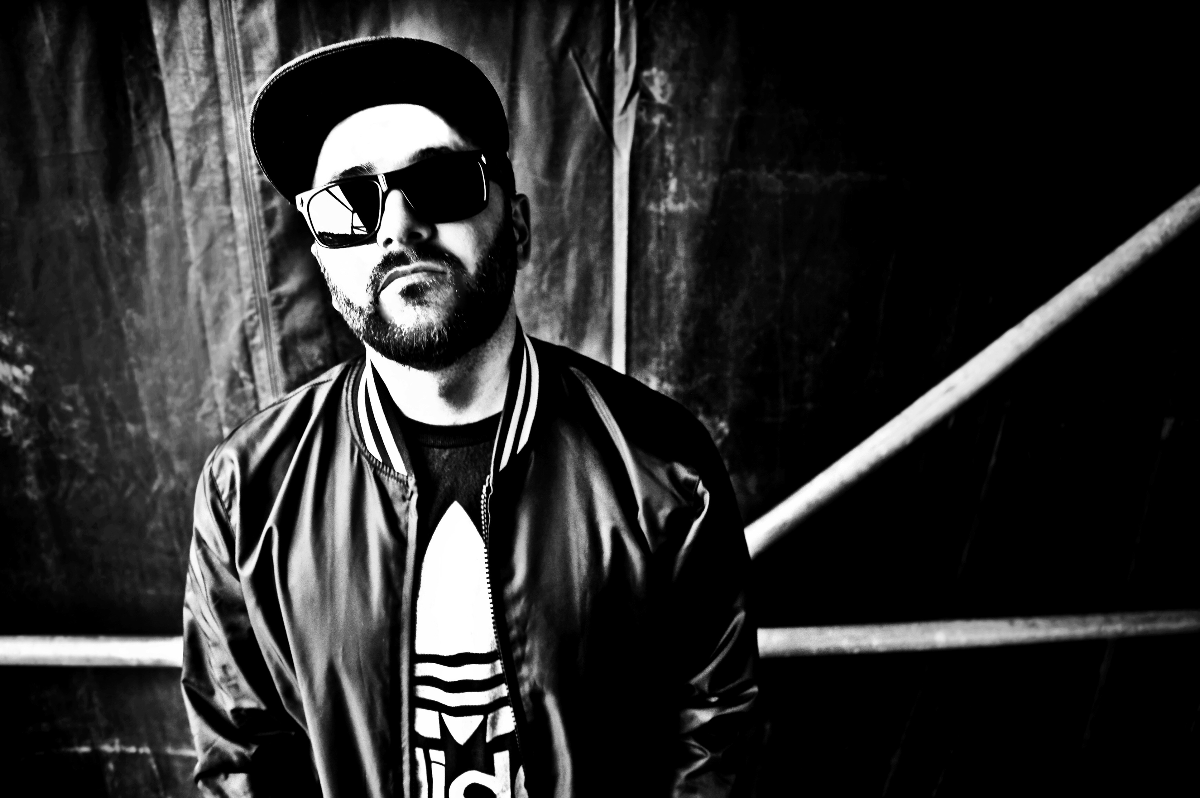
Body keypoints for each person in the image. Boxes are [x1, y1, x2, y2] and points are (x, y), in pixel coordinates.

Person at [181, 36, 758, 798]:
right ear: (321, 258)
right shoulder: (249, 492)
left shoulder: (663, 468)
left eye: (441, 182)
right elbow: (246, 765)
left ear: (516, 224)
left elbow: (712, 754)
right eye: (348, 203)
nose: (397, 227)